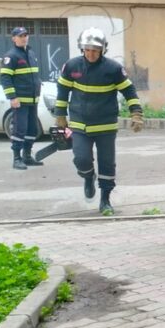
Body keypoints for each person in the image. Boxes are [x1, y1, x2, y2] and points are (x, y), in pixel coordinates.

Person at [55, 28, 144, 215]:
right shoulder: (72, 66)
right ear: (82, 49)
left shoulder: (113, 69)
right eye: (87, 49)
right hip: (80, 124)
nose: (91, 53)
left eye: (95, 50)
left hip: (106, 125)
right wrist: (60, 115)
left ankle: (105, 200)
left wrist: (136, 113)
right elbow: (62, 91)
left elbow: (129, 91)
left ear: (103, 50)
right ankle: (88, 177)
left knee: (107, 163)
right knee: (81, 159)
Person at [0, 27, 43, 170]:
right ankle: (16, 159)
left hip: (33, 100)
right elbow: (5, 78)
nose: (24, 38)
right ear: (13, 38)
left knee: (32, 129)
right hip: (20, 101)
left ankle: (27, 156)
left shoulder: (31, 53)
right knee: (20, 129)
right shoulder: (11, 56)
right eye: (20, 36)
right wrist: (12, 97)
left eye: (25, 35)